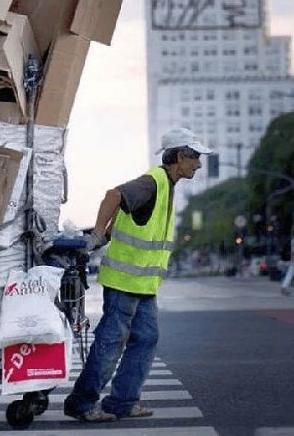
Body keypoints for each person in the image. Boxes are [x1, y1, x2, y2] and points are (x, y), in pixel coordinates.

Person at [64, 127, 211, 422]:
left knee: (145, 338)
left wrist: (107, 233)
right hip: (125, 283)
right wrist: (95, 235)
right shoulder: (153, 182)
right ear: (179, 156)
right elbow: (114, 195)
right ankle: (81, 403)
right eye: (194, 157)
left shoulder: (164, 186)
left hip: (142, 284)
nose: (199, 163)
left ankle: (122, 402)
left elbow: (126, 213)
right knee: (111, 342)